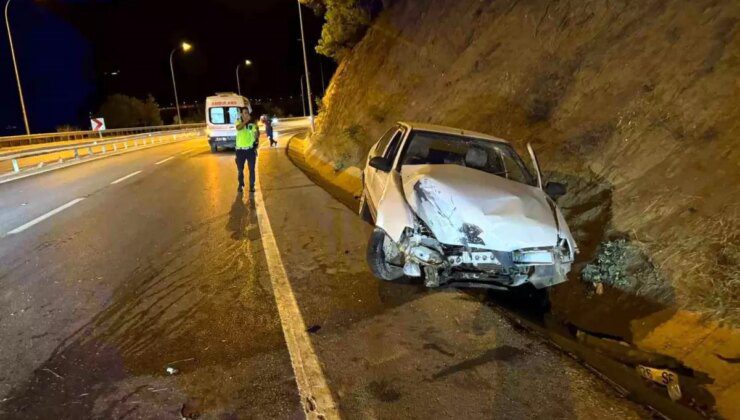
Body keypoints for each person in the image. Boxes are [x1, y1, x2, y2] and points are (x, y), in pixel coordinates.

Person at [235, 108, 259, 193]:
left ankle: (252, 186)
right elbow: (238, 128)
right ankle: (240, 184)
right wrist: (245, 121)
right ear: (241, 114)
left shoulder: (251, 125)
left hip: (250, 151)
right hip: (240, 151)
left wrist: (256, 132)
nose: (246, 114)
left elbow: (256, 135)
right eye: (244, 113)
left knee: (252, 169)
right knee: (240, 170)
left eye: (247, 113)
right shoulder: (238, 122)